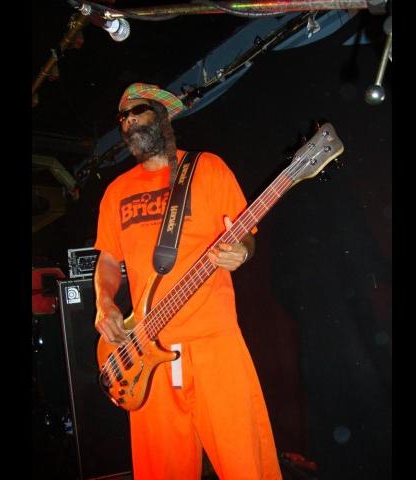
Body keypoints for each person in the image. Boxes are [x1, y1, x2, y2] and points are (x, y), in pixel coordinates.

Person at [94, 82, 282, 480]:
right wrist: (104, 303)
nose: (128, 122)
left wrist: (242, 251)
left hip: (214, 342)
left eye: (138, 111)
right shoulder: (115, 192)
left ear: (162, 116)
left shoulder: (208, 168)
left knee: (246, 463)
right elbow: (108, 259)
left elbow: (244, 231)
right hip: (145, 355)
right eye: (122, 117)